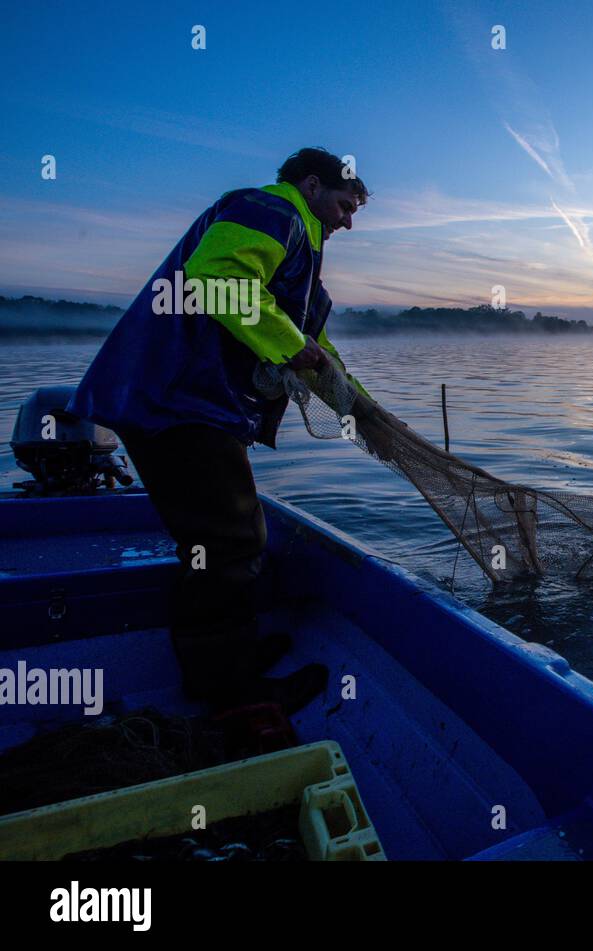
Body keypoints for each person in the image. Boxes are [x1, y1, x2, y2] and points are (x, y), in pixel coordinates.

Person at [68, 147, 370, 715]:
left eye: (354, 212)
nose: (347, 221)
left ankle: (234, 654)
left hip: (197, 406)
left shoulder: (301, 261)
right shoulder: (268, 209)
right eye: (343, 204)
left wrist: (365, 407)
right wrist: (291, 346)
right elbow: (217, 277)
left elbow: (317, 350)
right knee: (227, 543)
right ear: (309, 185)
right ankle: (228, 691)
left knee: (230, 535)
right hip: (174, 400)